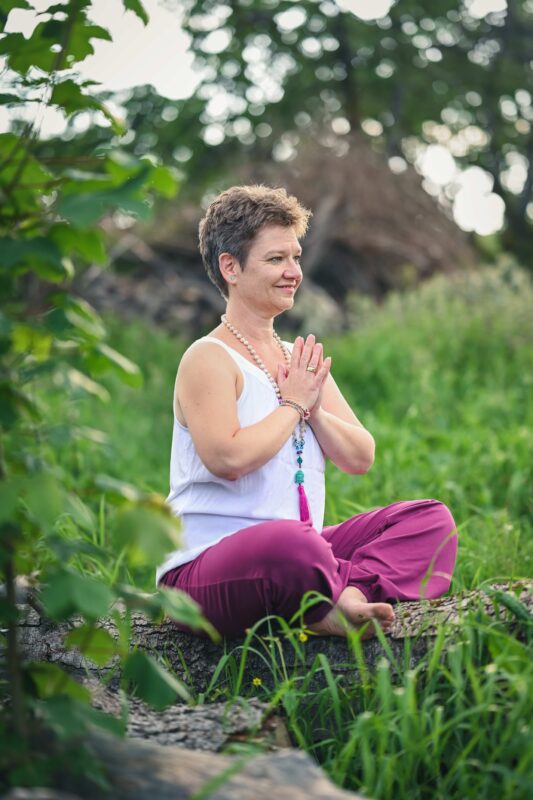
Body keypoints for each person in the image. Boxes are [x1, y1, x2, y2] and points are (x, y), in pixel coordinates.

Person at [157, 185, 458, 640]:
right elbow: (228, 459)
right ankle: (326, 593)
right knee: (292, 543)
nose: (293, 272)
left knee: (429, 520)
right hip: (205, 570)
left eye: (295, 257)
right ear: (230, 267)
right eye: (276, 259)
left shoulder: (299, 361)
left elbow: (360, 457)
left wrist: (312, 408)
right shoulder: (209, 358)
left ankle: (343, 596)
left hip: (298, 554)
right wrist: (293, 404)